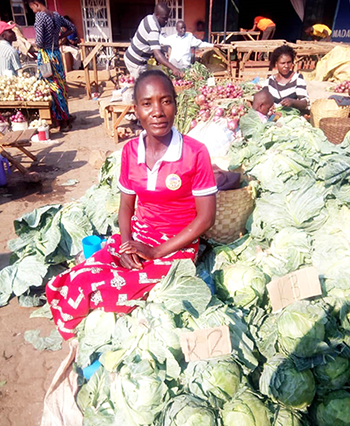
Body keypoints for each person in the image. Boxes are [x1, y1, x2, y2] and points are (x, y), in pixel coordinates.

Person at [46, 69, 217, 340]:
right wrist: (127, 246)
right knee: (78, 279)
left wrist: (157, 251)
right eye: (147, 103)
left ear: (176, 104)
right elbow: (126, 207)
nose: (157, 111)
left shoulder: (195, 153)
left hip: (176, 245)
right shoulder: (130, 151)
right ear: (136, 109)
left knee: (110, 294)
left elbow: (205, 218)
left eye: (166, 101)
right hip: (137, 236)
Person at [25, 0, 76, 131]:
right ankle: (65, 116)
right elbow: (72, 28)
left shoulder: (40, 16)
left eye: (31, 7)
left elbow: (40, 41)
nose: (33, 11)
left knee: (52, 87)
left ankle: (61, 121)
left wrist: (34, 48)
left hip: (47, 55)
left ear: (36, 3)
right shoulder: (56, 15)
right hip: (56, 54)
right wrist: (58, 38)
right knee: (61, 86)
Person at [124, 3, 184, 79]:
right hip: (136, 62)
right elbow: (157, 55)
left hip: (136, 59)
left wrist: (162, 54)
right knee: (139, 87)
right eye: (164, 18)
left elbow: (152, 44)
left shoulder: (149, 18)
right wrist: (174, 69)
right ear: (157, 15)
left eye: (167, 18)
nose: (166, 21)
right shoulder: (153, 29)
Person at [265, 45, 310, 113]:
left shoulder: (297, 78)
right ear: (276, 64)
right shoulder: (270, 81)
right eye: (282, 63)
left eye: (289, 62)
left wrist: (292, 102)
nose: (286, 66)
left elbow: (304, 103)